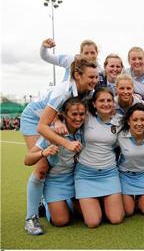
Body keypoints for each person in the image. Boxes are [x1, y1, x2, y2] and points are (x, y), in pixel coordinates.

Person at [20, 55, 98, 234]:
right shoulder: (62, 92)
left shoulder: (88, 91)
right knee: (41, 167)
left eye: (96, 77)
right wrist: (65, 141)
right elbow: (42, 125)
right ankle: (31, 218)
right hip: (35, 119)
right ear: (78, 76)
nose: (95, 81)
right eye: (91, 77)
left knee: (60, 162)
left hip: (56, 120)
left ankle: (54, 198)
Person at [23, 97, 86, 235]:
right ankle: (41, 207)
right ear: (64, 114)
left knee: (85, 215)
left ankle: (65, 203)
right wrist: (43, 152)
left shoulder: (84, 130)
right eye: (74, 114)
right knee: (61, 221)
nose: (78, 118)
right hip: (55, 181)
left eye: (81, 114)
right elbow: (27, 160)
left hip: (76, 179)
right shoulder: (53, 132)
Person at [74, 87, 124, 228]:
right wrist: (58, 122)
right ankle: (73, 201)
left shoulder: (119, 120)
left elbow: (138, 122)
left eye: (109, 100)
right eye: (101, 100)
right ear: (94, 103)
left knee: (116, 219)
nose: (106, 103)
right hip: (85, 174)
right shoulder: (86, 117)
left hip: (109, 173)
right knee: (93, 223)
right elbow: (64, 112)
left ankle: (102, 205)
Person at [117, 103, 144, 216]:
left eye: (142, 120)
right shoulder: (120, 136)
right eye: (135, 120)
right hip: (125, 175)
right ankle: (132, 200)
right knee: (128, 212)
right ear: (128, 121)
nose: (139, 124)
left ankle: (139, 199)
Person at [40, 38, 104, 83]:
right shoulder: (70, 60)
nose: (89, 56)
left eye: (92, 53)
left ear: (97, 53)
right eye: (86, 53)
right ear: (81, 54)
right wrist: (44, 46)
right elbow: (46, 57)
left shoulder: (100, 71)